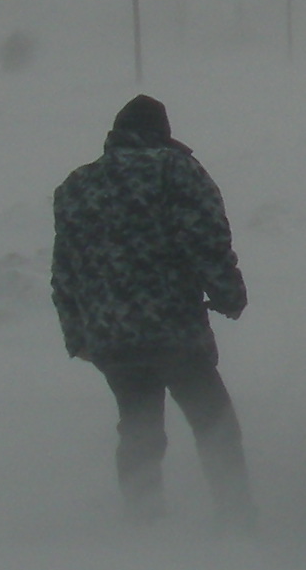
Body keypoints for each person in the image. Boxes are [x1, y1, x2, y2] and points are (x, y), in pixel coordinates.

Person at [49, 93, 254, 526]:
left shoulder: (76, 186)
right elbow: (206, 238)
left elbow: (64, 269)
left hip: (111, 339)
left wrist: (78, 335)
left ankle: (144, 525)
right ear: (160, 133)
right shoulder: (173, 170)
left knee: (139, 431)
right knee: (214, 424)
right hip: (172, 331)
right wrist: (228, 295)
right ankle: (236, 521)